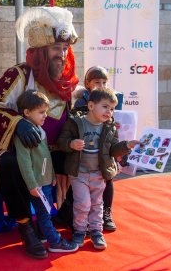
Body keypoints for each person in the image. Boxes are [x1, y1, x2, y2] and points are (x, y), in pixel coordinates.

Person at [0, 6, 79, 259]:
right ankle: (25, 227)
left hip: (54, 150)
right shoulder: (18, 74)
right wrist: (18, 123)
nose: (62, 55)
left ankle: (76, 215)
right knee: (10, 165)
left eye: (65, 49)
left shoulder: (65, 81)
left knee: (85, 156)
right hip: (21, 151)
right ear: (42, 51)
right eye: (56, 48)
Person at [57, 88, 139, 250]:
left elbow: (113, 149)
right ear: (91, 105)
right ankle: (80, 231)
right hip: (79, 173)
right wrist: (71, 144)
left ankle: (96, 231)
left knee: (97, 204)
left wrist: (127, 146)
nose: (109, 112)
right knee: (83, 204)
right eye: (105, 107)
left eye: (112, 108)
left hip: (99, 174)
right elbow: (62, 141)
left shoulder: (109, 127)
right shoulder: (75, 123)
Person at [14, 90, 78, 253]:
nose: (45, 116)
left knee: (46, 212)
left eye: (46, 112)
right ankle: (55, 242)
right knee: (44, 215)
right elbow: (25, 162)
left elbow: (45, 158)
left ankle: (44, 234)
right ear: (27, 112)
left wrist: (51, 178)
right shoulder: (23, 134)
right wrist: (32, 185)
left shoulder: (38, 128)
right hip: (38, 185)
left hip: (45, 182)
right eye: (41, 112)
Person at [72, 66, 118, 231]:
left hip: (103, 152)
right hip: (86, 156)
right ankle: (82, 223)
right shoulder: (81, 101)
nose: (101, 85)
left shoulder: (109, 98)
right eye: (97, 82)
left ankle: (106, 213)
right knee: (83, 196)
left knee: (108, 178)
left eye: (104, 82)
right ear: (88, 83)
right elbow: (76, 122)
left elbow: (111, 124)